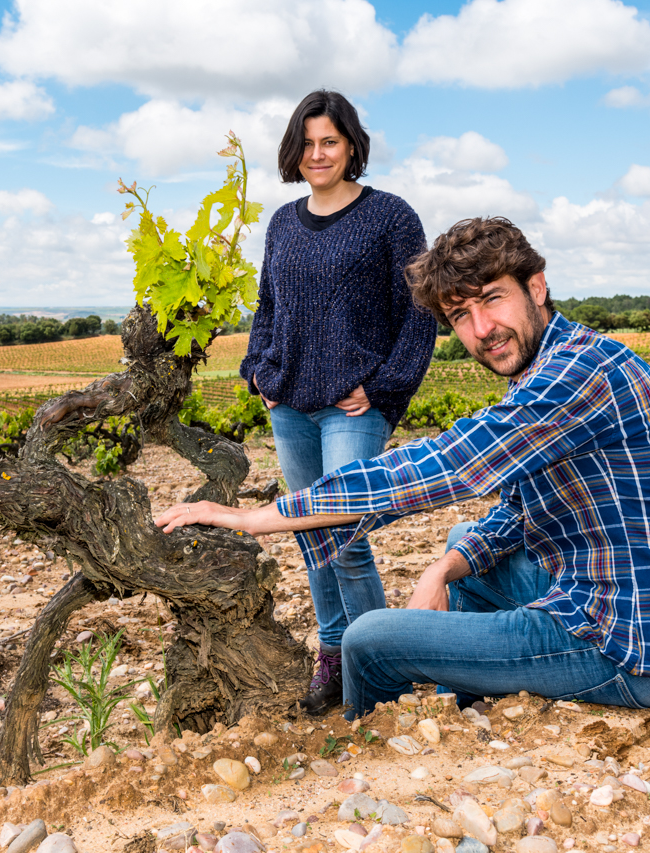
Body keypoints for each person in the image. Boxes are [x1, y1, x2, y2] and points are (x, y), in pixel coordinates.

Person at [160, 217, 650, 718]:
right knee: (464, 542)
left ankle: (374, 741)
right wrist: (440, 571)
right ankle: (458, 698)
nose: (480, 329)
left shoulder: (572, 379)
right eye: (460, 315)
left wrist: (263, 517)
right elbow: (517, 509)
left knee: (368, 640)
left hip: (635, 648)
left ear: (536, 287)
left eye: (491, 298)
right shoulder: (572, 357)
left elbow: (449, 464)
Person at [237, 89, 436, 716]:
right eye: (308, 143)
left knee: (345, 535)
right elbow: (269, 307)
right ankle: (332, 656)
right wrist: (259, 373)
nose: (318, 154)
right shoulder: (282, 223)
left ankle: (383, 663)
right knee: (308, 535)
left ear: (351, 146)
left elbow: (419, 312)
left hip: (355, 406)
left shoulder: (390, 217)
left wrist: (382, 387)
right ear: (293, 151)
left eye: (330, 141)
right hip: (290, 404)